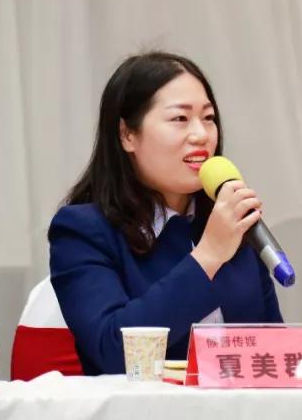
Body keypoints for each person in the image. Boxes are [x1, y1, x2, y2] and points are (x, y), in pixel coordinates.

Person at [49, 51, 282, 375]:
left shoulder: (231, 224)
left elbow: (275, 353)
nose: (201, 134)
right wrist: (208, 256)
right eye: (180, 119)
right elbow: (113, 351)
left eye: (209, 118)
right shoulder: (83, 231)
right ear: (127, 135)